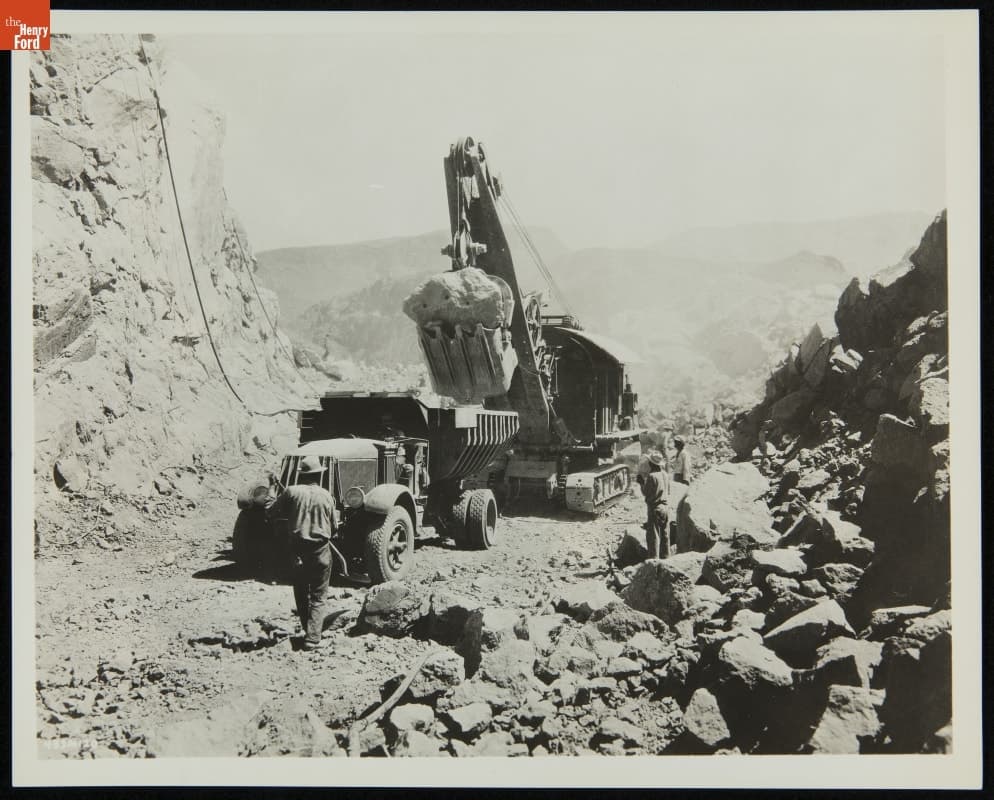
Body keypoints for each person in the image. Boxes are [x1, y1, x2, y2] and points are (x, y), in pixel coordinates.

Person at [268, 455, 336, 652]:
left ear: (302, 475)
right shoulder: (326, 495)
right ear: (318, 475)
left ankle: (309, 630)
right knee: (319, 595)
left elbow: (271, 512)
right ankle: (313, 638)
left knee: (301, 592)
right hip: (320, 551)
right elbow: (334, 527)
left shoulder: (291, 491)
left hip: (296, 551)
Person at [641, 450, 671, 559]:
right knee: (665, 535)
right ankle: (666, 558)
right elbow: (668, 491)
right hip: (665, 507)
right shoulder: (665, 475)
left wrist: (641, 484)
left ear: (651, 464)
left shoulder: (651, 476)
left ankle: (654, 560)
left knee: (653, 536)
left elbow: (646, 493)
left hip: (655, 508)